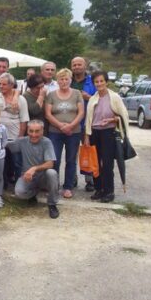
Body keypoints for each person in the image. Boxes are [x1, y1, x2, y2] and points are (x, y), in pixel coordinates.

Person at [84, 70, 129, 203]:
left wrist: (111, 120)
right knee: (95, 163)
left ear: (106, 82)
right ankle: (99, 189)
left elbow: (123, 115)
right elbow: (89, 119)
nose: (99, 84)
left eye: (101, 81)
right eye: (96, 82)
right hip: (95, 132)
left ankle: (109, 191)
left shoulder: (114, 97)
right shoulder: (93, 98)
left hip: (108, 133)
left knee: (107, 163)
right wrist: (87, 136)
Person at [7, 120, 60, 219]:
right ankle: (33, 194)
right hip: (27, 177)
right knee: (19, 193)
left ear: (42, 131)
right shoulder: (22, 141)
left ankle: (52, 204)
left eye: (37, 131)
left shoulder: (46, 142)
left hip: (43, 176)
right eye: (31, 131)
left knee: (52, 173)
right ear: (27, 130)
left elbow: (50, 163)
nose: (33, 134)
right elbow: (5, 144)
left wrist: (34, 168)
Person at [44, 68, 84, 199]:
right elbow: (48, 114)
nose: (64, 81)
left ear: (70, 80)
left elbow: (81, 113)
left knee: (71, 160)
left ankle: (68, 187)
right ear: (58, 81)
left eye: (67, 79)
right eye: (61, 79)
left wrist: (71, 126)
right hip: (55, 132)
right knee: (55, 159)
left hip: (74, 132)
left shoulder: (77, 93)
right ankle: (54, 186)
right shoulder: (51, 95)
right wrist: (61, 125)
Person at [0, 72, 29, 184]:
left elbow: (24, 119)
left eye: (4, 84)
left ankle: (19, 184)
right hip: (0, 136)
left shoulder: (21, 99)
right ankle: (3, 184)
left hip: (15, 135)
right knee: (1, 161)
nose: (1, 86)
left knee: (17, 162)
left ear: (11, 85)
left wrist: (20, 136)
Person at [71, 56, 97, 192]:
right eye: (74, 65)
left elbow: (100, 99)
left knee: (88, 150)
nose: (77, 67)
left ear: (85, 66)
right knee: (72, 153)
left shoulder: (92, 81)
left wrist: (90, 98)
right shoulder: (68, 81)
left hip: (88, 122)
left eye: (79, 64)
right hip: (72, 122)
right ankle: (72, 178)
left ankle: (90, 180)